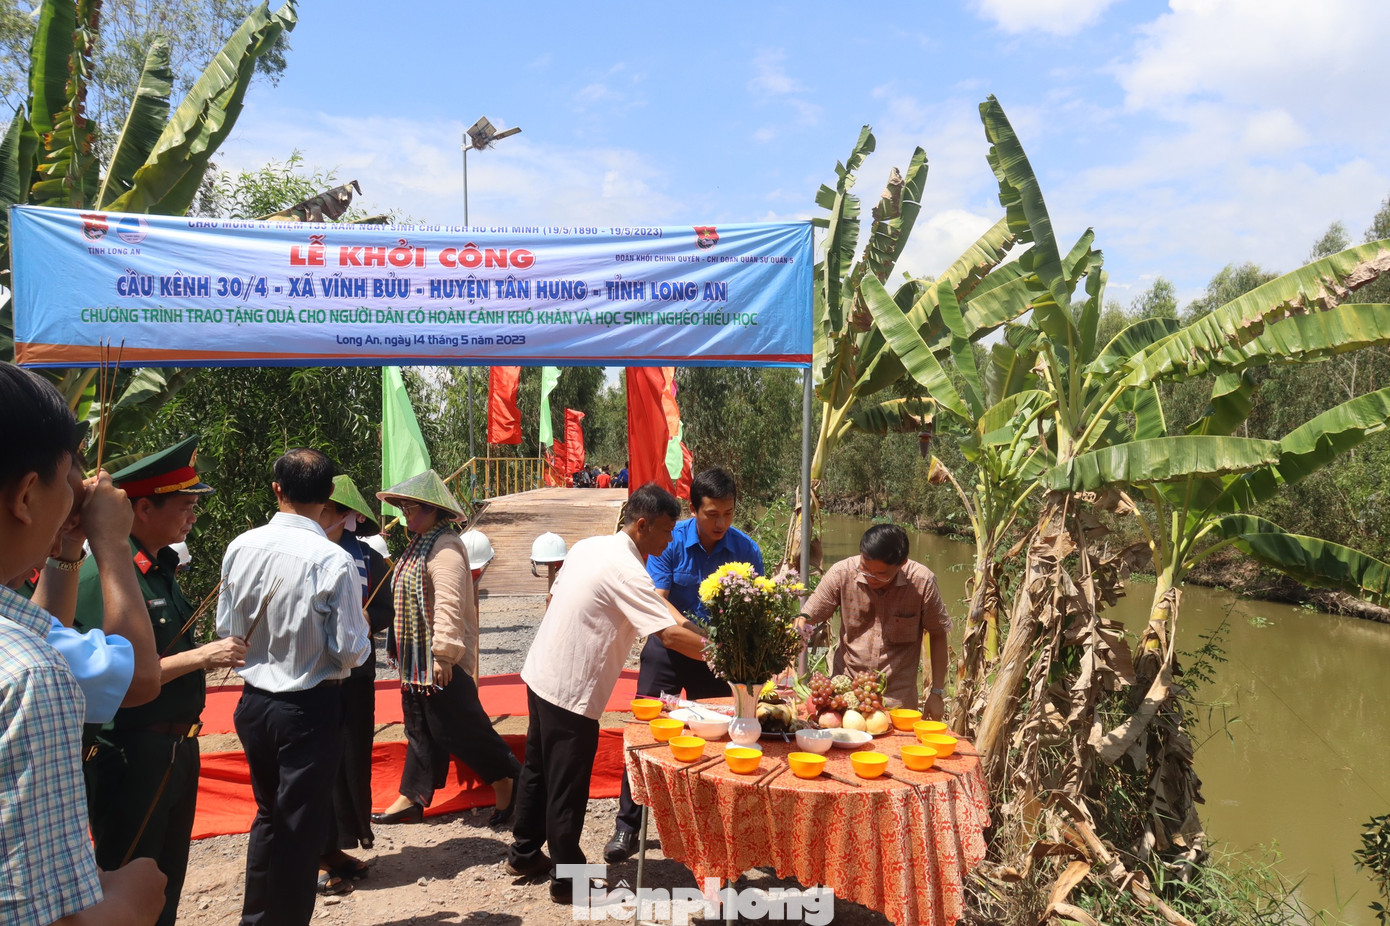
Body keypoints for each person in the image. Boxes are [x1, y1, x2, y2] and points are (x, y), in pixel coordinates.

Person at [0, 361, 167, 926]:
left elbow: (43, 636)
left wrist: (65, 549)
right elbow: (139, 679)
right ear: (26, 495)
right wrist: (130, 901)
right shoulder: (31, 677)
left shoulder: (21, 646)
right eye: (68, 472)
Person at [507, 483, 710, 904]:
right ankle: (568, 881)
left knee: (538, 769)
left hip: (542, 671)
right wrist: (724, 654)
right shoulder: (627, 569)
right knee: (567, 784)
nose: (670, 539)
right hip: (571, 689)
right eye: (667, 531)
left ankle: (524, 853)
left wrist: (704, 636)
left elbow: (662, 614)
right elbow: (668, 635)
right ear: (643, 525)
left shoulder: (590, 547)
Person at [72, 436, 245, 926]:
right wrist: (202, 657)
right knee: (125, 886)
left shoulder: (159, 569)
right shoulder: (101, 576)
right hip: (131, 755)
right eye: (186, 505)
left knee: (163, 885)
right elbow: (115, 679)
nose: (194, 516)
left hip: (177, 749)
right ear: (143, 508)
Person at [215, 448, 371, 926]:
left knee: (269, 817)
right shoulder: (333, 560)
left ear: (276, 489)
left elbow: (227, 628)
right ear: (328, 498)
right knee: (300, 829)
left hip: (254, 704)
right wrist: (361, 637)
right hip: (308, 707)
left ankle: (256, 918)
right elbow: (349, 652)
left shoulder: (241, 546)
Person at [605, 467, 764, 861]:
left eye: (728, 513)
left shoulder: (747, 550)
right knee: (648, 731)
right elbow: (657, 598)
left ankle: (720, 826)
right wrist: (693, 633)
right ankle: (628, 825)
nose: (721, 523)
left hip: (720, 658)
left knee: (724, 734)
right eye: (712, 514)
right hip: (670, 646)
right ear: (694, 510)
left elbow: (757, 609)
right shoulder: (668, 540)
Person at [371, 471, 521, 830]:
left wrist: (444, 655)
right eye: (404, 506)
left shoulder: (446, 547)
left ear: (433, 510)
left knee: (461, 729)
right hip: (415, 663)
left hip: (437, 662)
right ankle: (413, 796)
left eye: (413, 506)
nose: (406, 512)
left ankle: (510, 782)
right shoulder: (419, 544)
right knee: (420, 728)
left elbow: (449, 605)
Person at [314, 476, 394, 894]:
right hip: (314, 677)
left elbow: (383, 609)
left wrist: (369, 619)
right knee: (318, 763)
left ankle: (343, 842)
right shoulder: (303, 554)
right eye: (321, 509)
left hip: (357, 675)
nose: (323, 517)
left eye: (331, 510)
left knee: (352, 758)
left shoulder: (369, 559)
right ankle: (319, 851)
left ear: (348, 518)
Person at [795, 524, 951, 718]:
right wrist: (799, 628)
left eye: (880, 574)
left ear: (902, 564)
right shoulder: (841, 573)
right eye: (865, 568)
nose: (870, 577)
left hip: (897, 703)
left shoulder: (922, 582)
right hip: (844, 699)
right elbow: (807, 617)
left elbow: (938, 634)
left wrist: (936, 693)